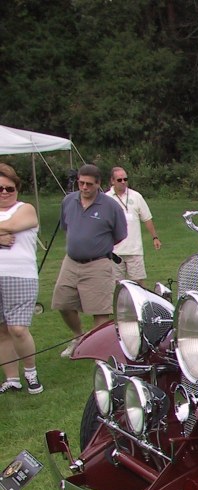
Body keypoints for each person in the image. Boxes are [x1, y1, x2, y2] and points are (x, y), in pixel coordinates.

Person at [51, 163, 127, 358]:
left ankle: (98, 352)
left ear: (98, 184)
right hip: (71, 261)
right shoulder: (68, 201)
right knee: (63, 303)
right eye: (81, 183)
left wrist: (96, 245)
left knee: (100, 311)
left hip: (98, 263)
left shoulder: (110, 206)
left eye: (89, 184)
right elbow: (67, 227)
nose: (84, 188)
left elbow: (120, 234)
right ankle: (78, 337)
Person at [0, 163, 43, 394]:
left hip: (20, 275)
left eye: (10, 188)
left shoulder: (25, 209)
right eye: (0, 189)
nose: (5, 192)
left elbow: (16, 225)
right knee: (2, 329)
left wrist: (8, 228)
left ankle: (30, 372)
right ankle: (11, 378)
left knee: (18, 328)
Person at [106, 167, 161, 288]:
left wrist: (155, 237)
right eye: (119, 180)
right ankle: (119, 307)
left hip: (134, 250)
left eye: (125, 179)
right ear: (112, 181)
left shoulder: (136, 196)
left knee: (139, 284)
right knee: (116, 286)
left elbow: (147, 218)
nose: (123, 182)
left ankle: (142, 306)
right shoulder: (106, 199)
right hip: (114, 251)